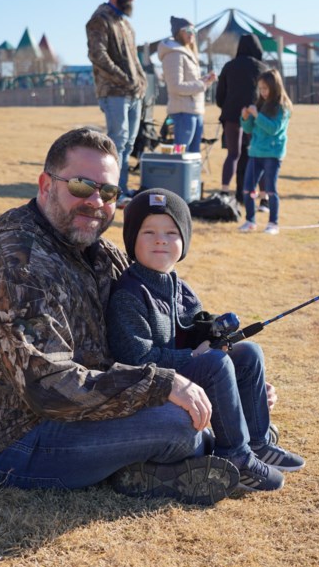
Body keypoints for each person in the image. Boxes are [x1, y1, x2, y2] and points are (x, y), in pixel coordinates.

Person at [0, 128, 240, 505]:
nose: (96, 202)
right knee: (180, 424)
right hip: (9, 441)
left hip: (80, 413)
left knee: (193, 408)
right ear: (45, 184)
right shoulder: (16, 268)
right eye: (82, 186)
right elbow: (48, 389)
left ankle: (148, 467)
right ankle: (162, 463)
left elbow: (155, 329)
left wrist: (228, 386)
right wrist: (162, 386)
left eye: (109, 192)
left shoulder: (96, 251)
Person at [107, 188, 305, 492]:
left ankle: (257, 441)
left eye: (171, 232)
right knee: (214, 363)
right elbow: (134, 357)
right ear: (132, 239)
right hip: (153, 385)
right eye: (149, 232)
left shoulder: (179, 287)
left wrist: (213, 333)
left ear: (184, 240)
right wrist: (194, 358)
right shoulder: (128, 294)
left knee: (248, 351)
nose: (160, 239)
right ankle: (235, 456)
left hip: (182, 371)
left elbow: (193, 323)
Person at [86, 0, 148, 207]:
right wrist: (123, 79)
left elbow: (133, 58)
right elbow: (97, 54)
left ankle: (121, 187)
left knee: (129, 144)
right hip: (114, 92)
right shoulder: (100, 19)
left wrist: (141, 81)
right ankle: (113, 192)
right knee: (118, 142)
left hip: (134, 93)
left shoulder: (125, 24)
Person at [238, 69, 292, 234]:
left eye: (266, 89)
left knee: (270, 190)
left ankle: (273, 223)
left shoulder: (283, 107)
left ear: (275, 87)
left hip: (273, 155)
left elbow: (273, 129)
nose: (263, 92)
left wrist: (257, 115)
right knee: (247, 189)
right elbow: (249, 129)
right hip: (255, 153)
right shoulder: (260, 104)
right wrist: (245, 118)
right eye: (260, 88)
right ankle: (250, 220)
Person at [215, 34, 270, 199]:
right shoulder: (263, 68)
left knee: (233, 154)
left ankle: (224, 191)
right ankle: (264, 197)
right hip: (255, 115)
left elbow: (220, 97)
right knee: (257, 154)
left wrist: (228, 106)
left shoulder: (229, 66)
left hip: (232, 115)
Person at [158, 16, 216, 154]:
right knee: (180, 153)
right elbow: (176, 86)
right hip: (182, 114)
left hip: (195, 112)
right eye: (187, 30)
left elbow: (192, 82)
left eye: (194, 30)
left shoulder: (187, 52)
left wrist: (206, 80)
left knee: (194, 155)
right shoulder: (174, 54)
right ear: (178, 32)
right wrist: (202, 84)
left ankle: (191, 177)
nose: (192, 33)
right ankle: (179, 176)